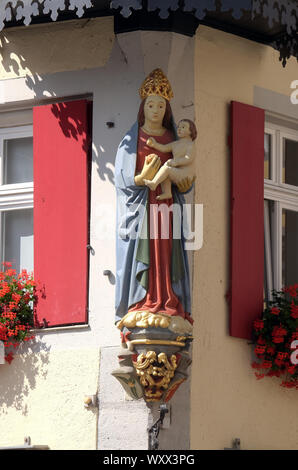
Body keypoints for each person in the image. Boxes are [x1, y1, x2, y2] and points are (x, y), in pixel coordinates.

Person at [114, 69, 194, 327]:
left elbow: (183, 173)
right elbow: (123, 179)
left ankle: (167, 298)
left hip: (167, 205)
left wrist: (185, 182)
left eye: (161, 105)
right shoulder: (131, 139)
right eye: (151, 104)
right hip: (142, 207)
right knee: (146, 250)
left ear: (167, 109)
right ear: (143, 108)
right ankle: (142, 301)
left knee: (167, 252)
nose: (156, 110)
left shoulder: (173, 138)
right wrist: (142, 178)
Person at [144, 119, 197, 200]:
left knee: (167, 169)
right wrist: (154, 144)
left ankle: (154, 184)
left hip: (186, 176)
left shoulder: (190, 145)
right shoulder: (176, 144)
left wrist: (176, 162)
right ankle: (167, 192)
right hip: (178, 172)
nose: (179, 129)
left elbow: (188, 159)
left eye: (183, 127)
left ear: (191, 131)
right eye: (178, 127)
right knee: (165, 170)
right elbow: (164, 148)